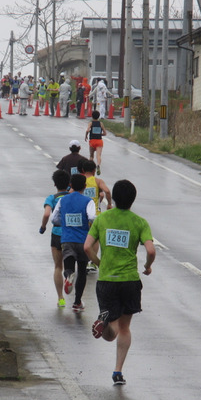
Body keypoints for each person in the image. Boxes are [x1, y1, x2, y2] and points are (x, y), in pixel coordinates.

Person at [84, 179, 155, 386]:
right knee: (124, 328)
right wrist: (148, 266)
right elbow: (151, 250)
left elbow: (87, 247)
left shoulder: (102, 219)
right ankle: (118, 371)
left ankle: (104, 321)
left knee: (110, 334)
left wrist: (99, 264)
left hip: (106, 280)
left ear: (113, 197)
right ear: (133, 199)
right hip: (129, 281)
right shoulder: (139, 222)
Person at [51, 174, 97, 313]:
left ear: (70, 185)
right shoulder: (88, 201)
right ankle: (77, 302)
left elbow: (54, 219)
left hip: (67, 239)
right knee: (82, 271)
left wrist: (64, 222)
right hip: (83, 239)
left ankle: (69, 275)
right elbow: (92, 217)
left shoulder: (63, 200)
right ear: (85, 186)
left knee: (69, 263)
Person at [39, 170, 72, 308]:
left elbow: (47, 214)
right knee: (71, 263)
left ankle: (61, 299)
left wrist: (43, 227)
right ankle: (69, 276)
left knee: (58, 266)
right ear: (69, 183)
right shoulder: (72, 197)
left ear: (54, 184)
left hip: (57, 234)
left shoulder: (52, 198)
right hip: (71, 234)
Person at [81, 159, 112, 274]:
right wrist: (109, 204)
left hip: (83, 214)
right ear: (94, 171)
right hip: (95, 215)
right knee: (95, 239)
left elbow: (71, 193)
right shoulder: (98, 181)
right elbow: (107, 191)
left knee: (84, 237)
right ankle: (92, 262)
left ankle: (82, 260)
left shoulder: (81, 181)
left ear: (83, 170)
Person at [85, 110, 108, 175]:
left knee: (91, 156)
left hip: (92, 141)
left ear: (92, 116)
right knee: (98, 155)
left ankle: (90, 168)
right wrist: (99, 134)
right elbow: (105, 133)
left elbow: (87, 130)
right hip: (99, 141)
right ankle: (98, 165)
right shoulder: (101, 123)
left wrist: (86, 136)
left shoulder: (91, 123)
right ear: (98, 116)